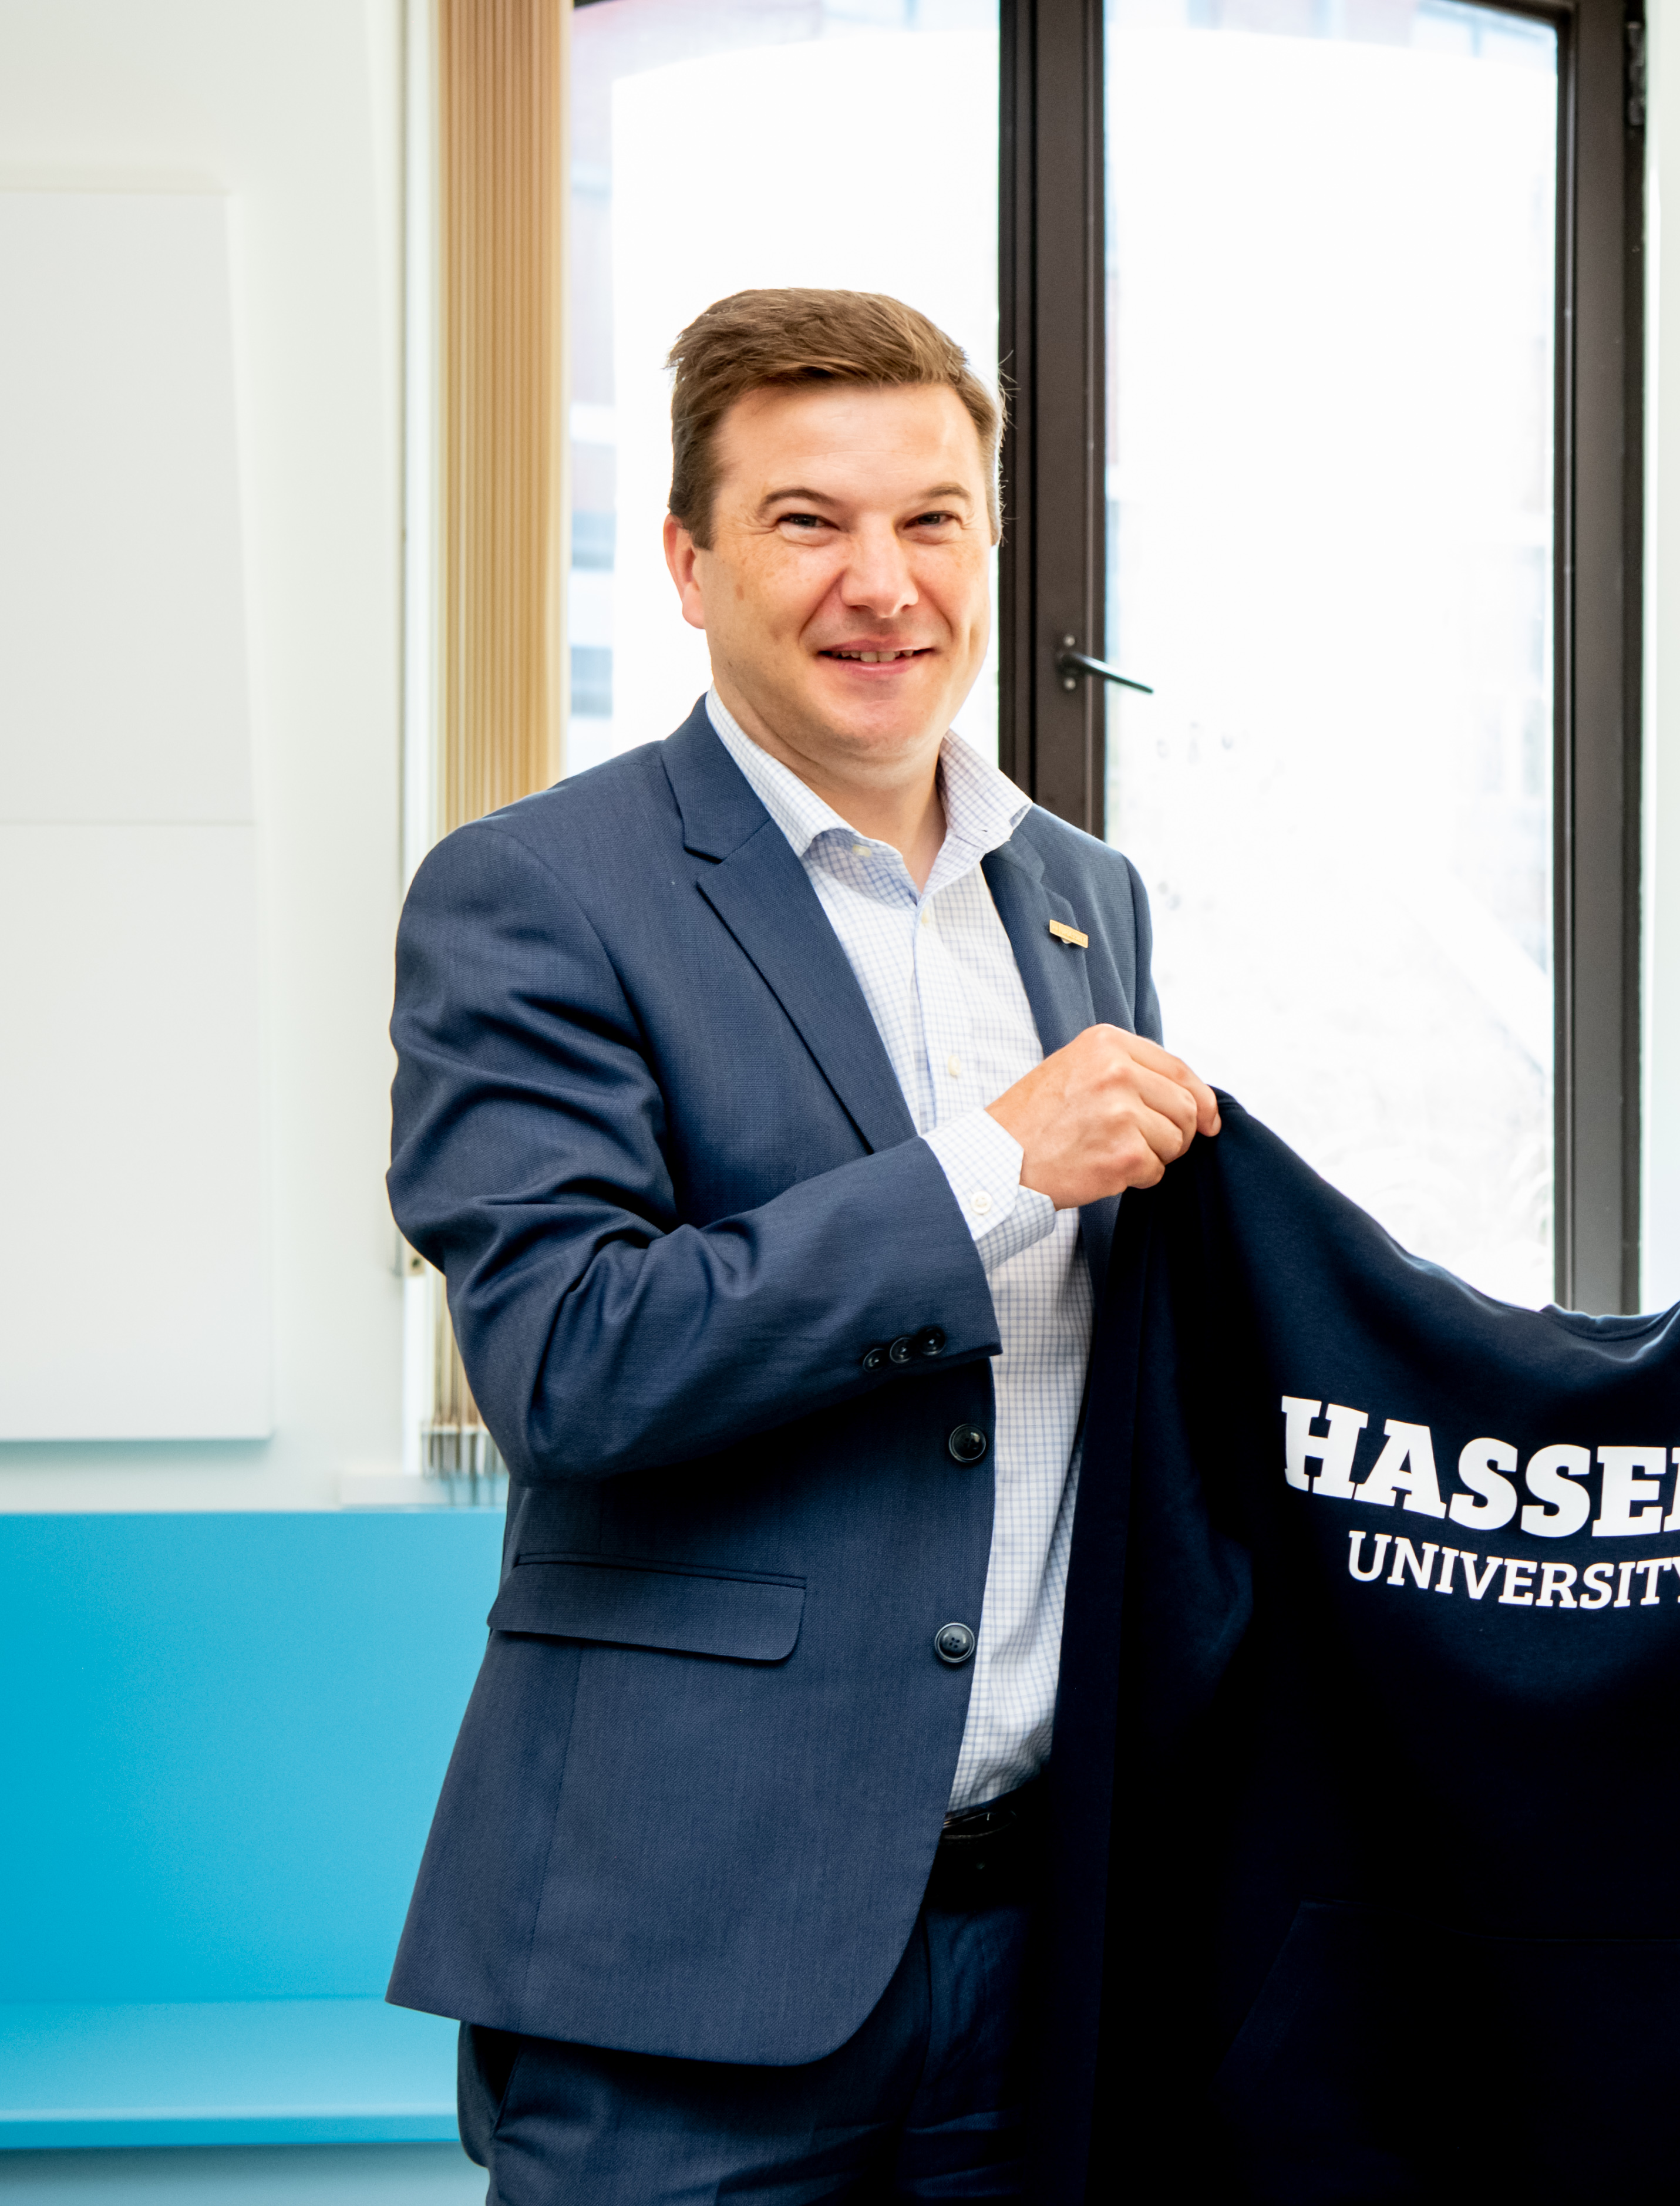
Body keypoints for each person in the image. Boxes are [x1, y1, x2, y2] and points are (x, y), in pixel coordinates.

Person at [386, 288, 1217, 2198]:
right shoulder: (534, 893)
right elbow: (569, 1364)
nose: (883, 584)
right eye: (806, 521)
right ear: (688, 565)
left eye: (932, 521)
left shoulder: (1081, 899)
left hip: (1044, 1943)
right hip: (682, 1949)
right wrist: (988, 1165)